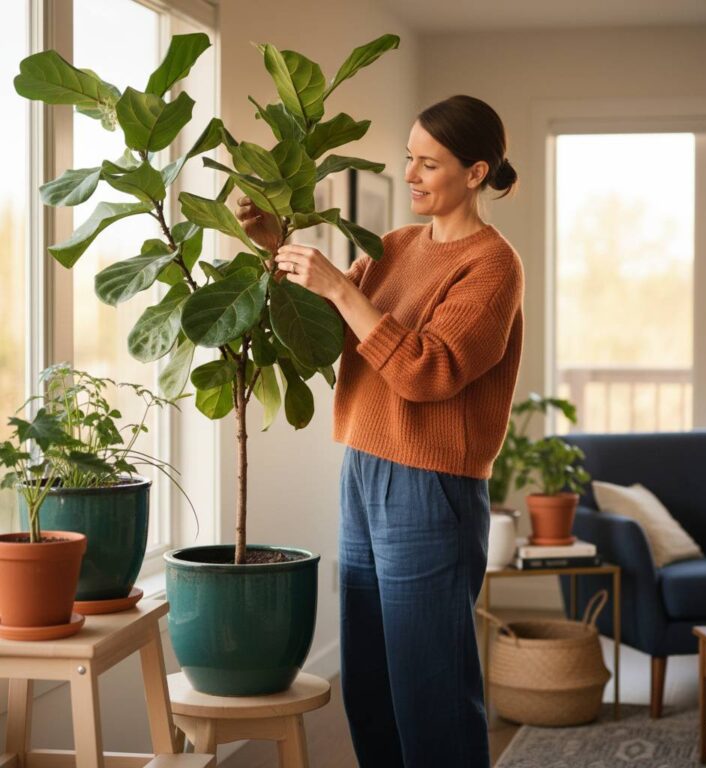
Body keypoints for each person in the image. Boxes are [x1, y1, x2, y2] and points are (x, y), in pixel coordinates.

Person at [237, 94, 524, 768]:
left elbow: (428, 372)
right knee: (368, 680)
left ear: (476, 173)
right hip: (365, 466)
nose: (412, 175)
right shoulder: (395, 247)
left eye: (429, 164)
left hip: (432, 484)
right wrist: (279, 249)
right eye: (408, 160)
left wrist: (343, 288)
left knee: (432, 685)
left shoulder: (492, 266)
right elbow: (340, 333)